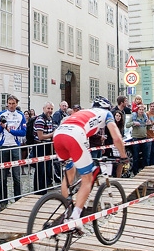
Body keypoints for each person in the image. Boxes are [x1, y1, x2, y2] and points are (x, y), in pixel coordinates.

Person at [52, 97, 129, 231]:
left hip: (59, 135)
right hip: (75, 135)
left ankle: (67, 210)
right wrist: (124, 156)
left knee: (69, 175)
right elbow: (117, 138)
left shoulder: (85, 112)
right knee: (87, 178)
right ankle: (75, 218)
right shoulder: (106, 114)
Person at [0, 95, 27, 205]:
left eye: (13, 103)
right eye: (9, 103)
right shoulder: (1, 114)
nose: (11, 106)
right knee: (3, 176)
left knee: (16, 176)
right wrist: (2, 126)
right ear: (7, 103)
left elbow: (23, 132)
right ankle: (3, 202)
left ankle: (18, 200)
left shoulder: (20, 115)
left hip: (15, 146)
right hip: (3, 146)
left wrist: (10, 130)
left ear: (16, 104)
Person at [33, 103, 57, 194]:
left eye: (51, 109)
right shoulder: (40, 120)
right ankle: (39, 191)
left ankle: (43, 189)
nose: (50, 110)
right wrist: (52, 134)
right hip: (40, 146)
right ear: (43, 108)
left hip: (47, 146)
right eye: (48, 108)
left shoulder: (50, 119)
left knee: (46, 169)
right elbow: (40, 136)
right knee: (40, 169)